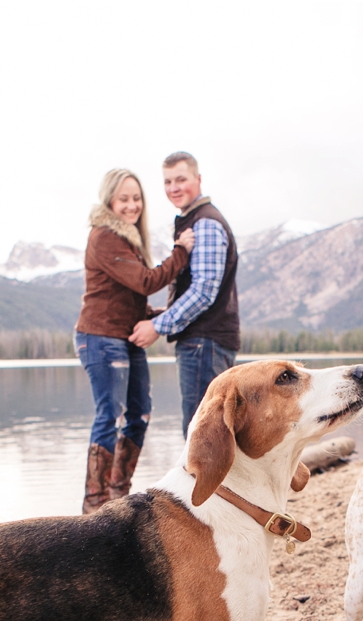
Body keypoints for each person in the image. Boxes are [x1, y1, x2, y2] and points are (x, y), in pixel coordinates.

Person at [74, 168, 195, 513]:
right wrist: (180, 252)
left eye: (137, 198)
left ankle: (117, 495)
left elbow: (132, 298)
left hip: (126, 337)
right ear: (110, 200)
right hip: (99, 338)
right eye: (124, 199)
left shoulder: (128, 238)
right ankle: (94, 507)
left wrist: (164, 315)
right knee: (108, 416)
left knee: (139, 414)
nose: (131, 205)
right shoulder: (104, 236)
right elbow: (145, 281)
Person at [129, 152, 240, 437]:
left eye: (181, 179)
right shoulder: (195, 220)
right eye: (167, 181)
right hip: (205, 343)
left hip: (204, 343)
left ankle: (201, 484)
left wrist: (157, 326)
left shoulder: (205, 224)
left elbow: (203, 292)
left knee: (200, 435)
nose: (173, 188)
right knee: (210, 432)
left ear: (198, 179)